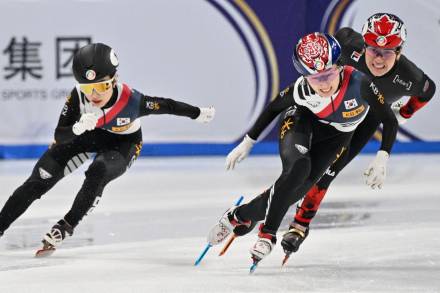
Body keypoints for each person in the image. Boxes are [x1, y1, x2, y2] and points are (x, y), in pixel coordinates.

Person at [0, 43, 215, 253]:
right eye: (87, 88)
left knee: (98, 172)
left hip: (123, 143)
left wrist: (197, 113)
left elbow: (167, 105)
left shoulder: (131, 100)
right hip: (86, 136)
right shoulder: (77, 96)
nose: (94, 94)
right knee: (37, 181)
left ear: (114, 80)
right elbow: (59, 134)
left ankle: (66, 226)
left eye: (101, 86)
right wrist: (76, 128)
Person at [207, 32, 398, 266]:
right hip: (301, 123)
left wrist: (382, 157)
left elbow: (389, 120)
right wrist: (248, 141)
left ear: (339, 67)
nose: (324, 84)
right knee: (299, 167)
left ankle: (238, 216)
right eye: (315, 78)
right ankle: (267, 235)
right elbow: (273, 108)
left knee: (295, 192)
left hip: (336, 137)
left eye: (327, 74)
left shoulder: (361, 84)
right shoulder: (302, 89)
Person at [283, 13, 436, 256]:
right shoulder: (347, 43)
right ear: (364, 45)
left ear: (400, 50)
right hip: (334, 104)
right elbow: (329, 50)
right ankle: (272, 202)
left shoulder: (411, 78)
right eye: (373, 49)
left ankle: (300, 224)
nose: (378, 59)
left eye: (387, 52)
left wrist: (405, 113)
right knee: (300, 158)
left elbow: (428, 91)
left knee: (330, 168)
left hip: (368, 118)